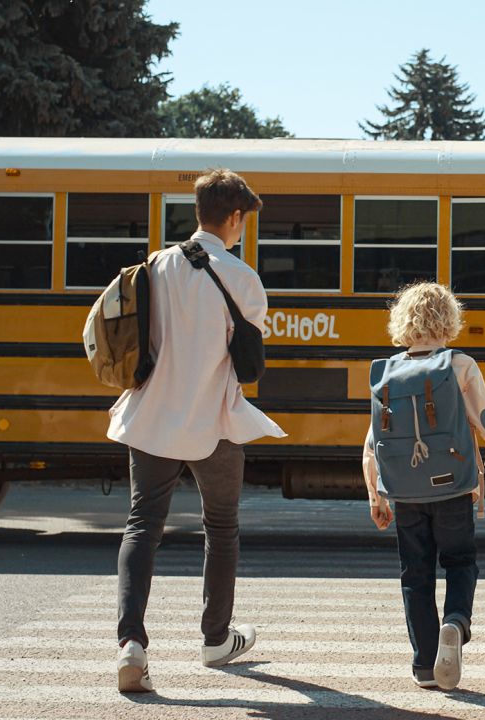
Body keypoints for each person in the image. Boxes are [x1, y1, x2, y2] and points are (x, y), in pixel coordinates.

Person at [111, 169, 286, 693]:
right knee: (221, 527)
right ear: (234, 218)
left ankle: (131, 646)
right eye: (243, 222)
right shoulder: (243, 278)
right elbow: (250, 366)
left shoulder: (154, 266)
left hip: (152, 417)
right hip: (214, 421)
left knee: (143, 525)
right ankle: (215, 638)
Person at [362, 282, 485, 691]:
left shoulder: (386, 370)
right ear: (449, 320)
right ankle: (455, 622)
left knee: (414, 575)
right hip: (454, 487)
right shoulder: (459, 364)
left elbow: (372, 441)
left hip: (404, 491)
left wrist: (375, 493)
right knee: (459, 561)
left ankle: (424, 665)